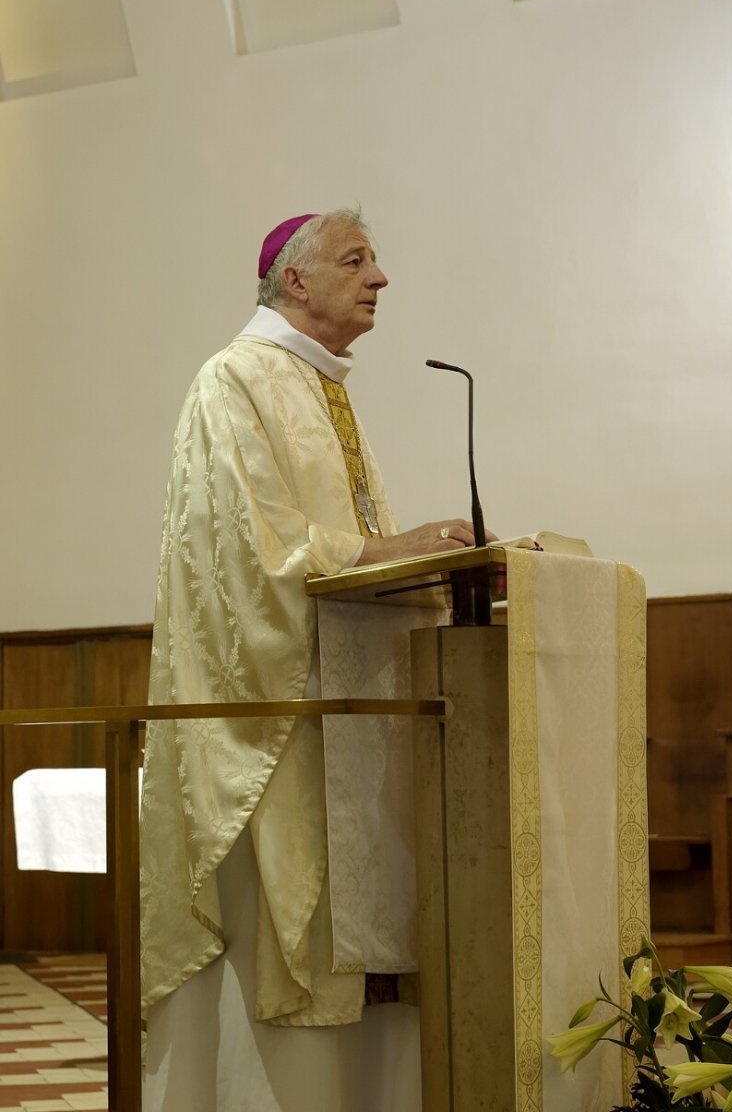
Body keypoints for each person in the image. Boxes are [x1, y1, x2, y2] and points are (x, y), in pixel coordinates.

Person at [140, 208, 491, 1112]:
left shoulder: (321, 385)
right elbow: (243, 551)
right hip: (284, 716)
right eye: (357, 260)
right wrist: (385, 552)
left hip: (354, 702)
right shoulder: (235, 379)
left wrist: (414, 562)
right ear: (295, 280)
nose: (381, 279)